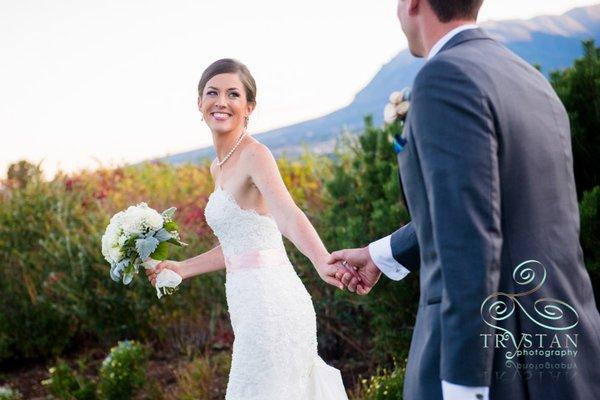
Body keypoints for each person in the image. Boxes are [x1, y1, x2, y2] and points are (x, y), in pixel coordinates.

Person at [329, 0, 600, 399]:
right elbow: (491, 208)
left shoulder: (445, 77)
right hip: (565, 344)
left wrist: (464, 384)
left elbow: (470, 242)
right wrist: (381, 254)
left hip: (498, 362)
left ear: (413, 4)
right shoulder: (527, 76)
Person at [146, 58, 350, 399]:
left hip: (272, 303)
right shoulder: (217, 167)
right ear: (199, 103)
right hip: (246, 303)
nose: (221, 101)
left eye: (233, 94)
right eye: (212, 92)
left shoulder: (256, 155)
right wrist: (182, 267)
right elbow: (239, 245)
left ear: (249, 106)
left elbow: (287, 214)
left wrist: (321, 260)